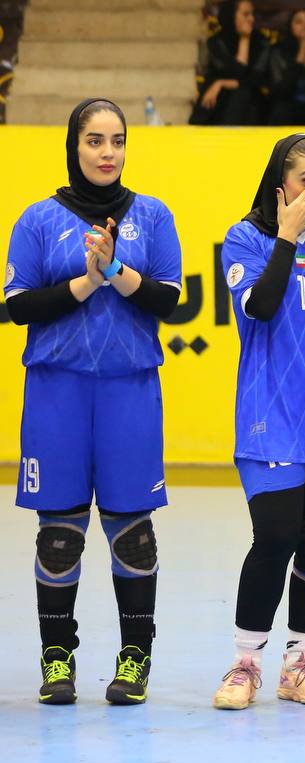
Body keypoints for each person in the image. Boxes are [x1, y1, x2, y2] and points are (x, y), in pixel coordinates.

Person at [6, 98, 182, 705]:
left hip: (129, 388)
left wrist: (114, 269)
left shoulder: (153, 216)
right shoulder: (37, 219)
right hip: (56, 390)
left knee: (133, 532)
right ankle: (57, 660)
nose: (108, 153)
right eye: (95, 141)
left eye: (118, 141)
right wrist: (84, 282)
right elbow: (17, 305)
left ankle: (135, 661)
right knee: (59, 533)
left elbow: (169, 300)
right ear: (74, 146)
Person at [212, 134, 305, 710]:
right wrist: (286, 236)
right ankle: (244, 665)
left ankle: (299, 665)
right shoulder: (245, 237)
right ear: (280, 183)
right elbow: (260, 305)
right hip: (270, 412)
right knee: (276, 536)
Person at [190, 0, 269, 125]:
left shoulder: (261, 42)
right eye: (245, 14)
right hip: (219, 101)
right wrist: (244, 39)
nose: (251, 19)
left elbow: (255, 80)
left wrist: (221, 83)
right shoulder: (217, 42)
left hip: (250, 104)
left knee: (243, 94)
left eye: (252, 14)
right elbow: (234, 72)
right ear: (231, 16)